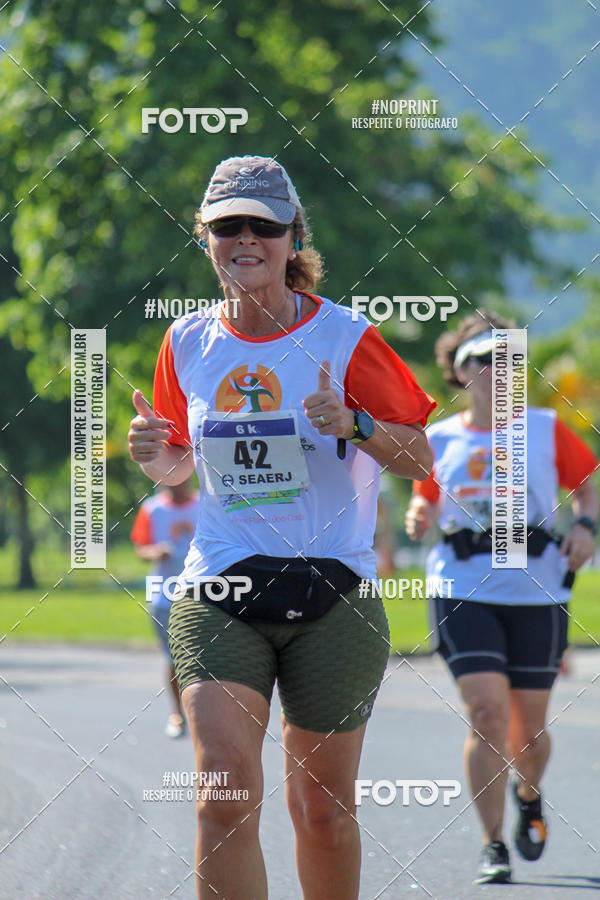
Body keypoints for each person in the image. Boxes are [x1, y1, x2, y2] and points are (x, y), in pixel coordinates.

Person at [128, 154, 436, 899]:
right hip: (220, 584)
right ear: (204, 238)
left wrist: (357, 424)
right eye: (226, 225)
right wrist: (155, 457)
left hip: (334, 591)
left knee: (322, 810)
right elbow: (178, 465)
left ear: (292, 238)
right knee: (223, 795)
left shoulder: (347, 338)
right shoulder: (187, 343)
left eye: (262, 226)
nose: (245, 239)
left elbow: (420, 452)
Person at [405, 310, 598, 885]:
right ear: (458, 371)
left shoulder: (543, 428)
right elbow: (426, 501)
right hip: (463, 588)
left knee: (528, 730)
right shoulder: (437, 438)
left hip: (536, 588)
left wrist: (587, 527)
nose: (494, 369)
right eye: (481, 359)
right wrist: (420, 513)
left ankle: (529, 793)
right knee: (486, 714)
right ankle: (492, 844)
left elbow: (587, 491)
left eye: (506, 358)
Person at [131, 479, 200, 737]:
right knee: (174, 658)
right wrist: (155, 552)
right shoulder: (152, 509)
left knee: (206, 658)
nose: (176, 485)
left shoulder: (205, 503)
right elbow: (140, 548)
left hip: (204, 592)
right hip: (164, 594)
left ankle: (204, 716)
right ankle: (177, 713)